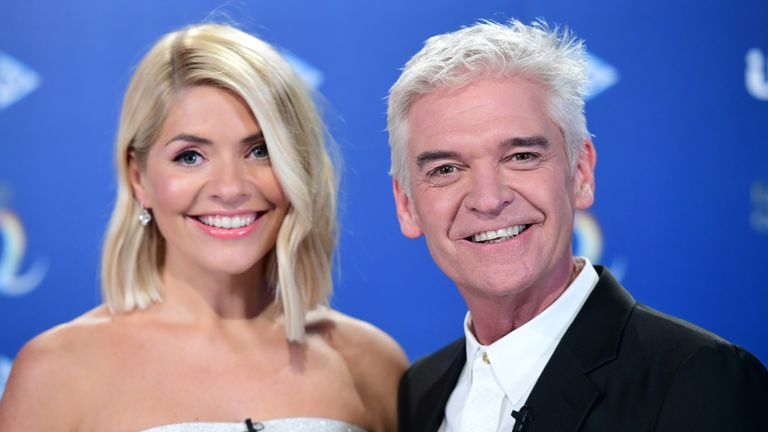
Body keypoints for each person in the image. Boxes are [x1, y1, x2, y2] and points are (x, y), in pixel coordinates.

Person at [0, 23, 407, 431]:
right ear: (138, 178)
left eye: (260, 151)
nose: (230, 189)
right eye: (190, 157)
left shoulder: (370, 362)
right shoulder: (57, 372)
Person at [387, 19, 768, 432]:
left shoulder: (699, 380)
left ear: (581, 172)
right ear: (407, 205)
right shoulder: (418, 391)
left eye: (521, 156)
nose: (489, 199)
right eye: (446, 169)